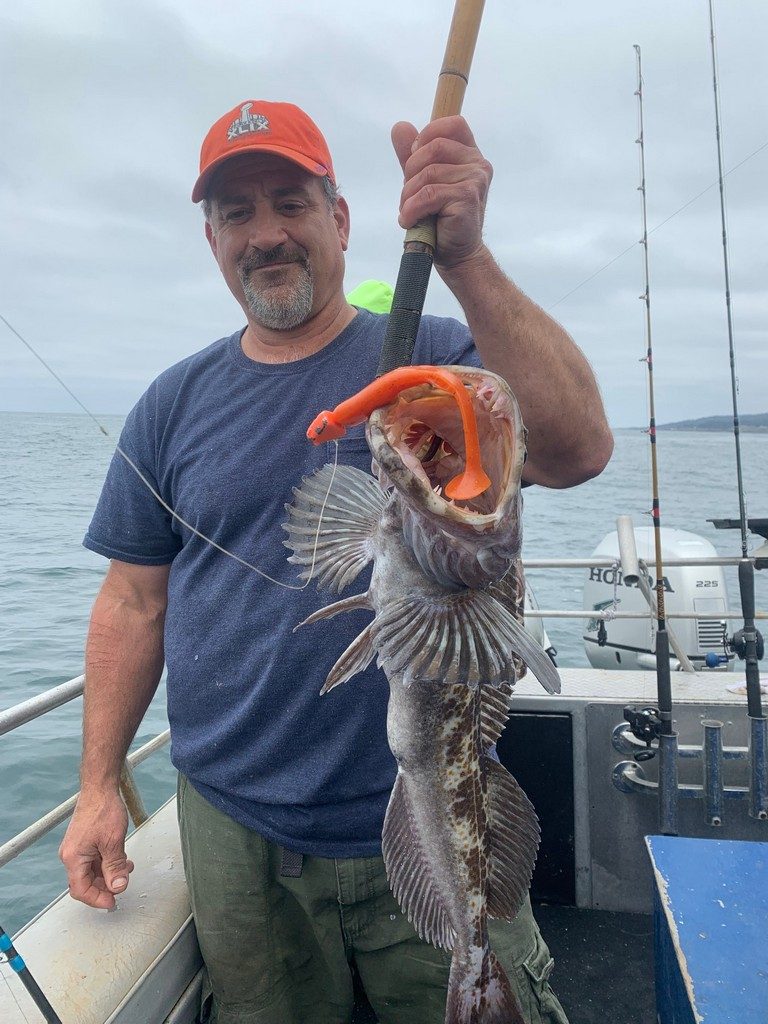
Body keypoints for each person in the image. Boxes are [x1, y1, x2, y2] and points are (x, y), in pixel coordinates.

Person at [59, 99, 613, 1024]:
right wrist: (95, 787)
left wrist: (468, 258)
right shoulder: (171, 404)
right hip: (238, 835)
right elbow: (131, 603)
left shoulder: (440, 363)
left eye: (291, 202)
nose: (267, 234)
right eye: (238, 213)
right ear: (212, 242)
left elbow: (575, 449)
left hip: (436, 800)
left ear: (342, 219)